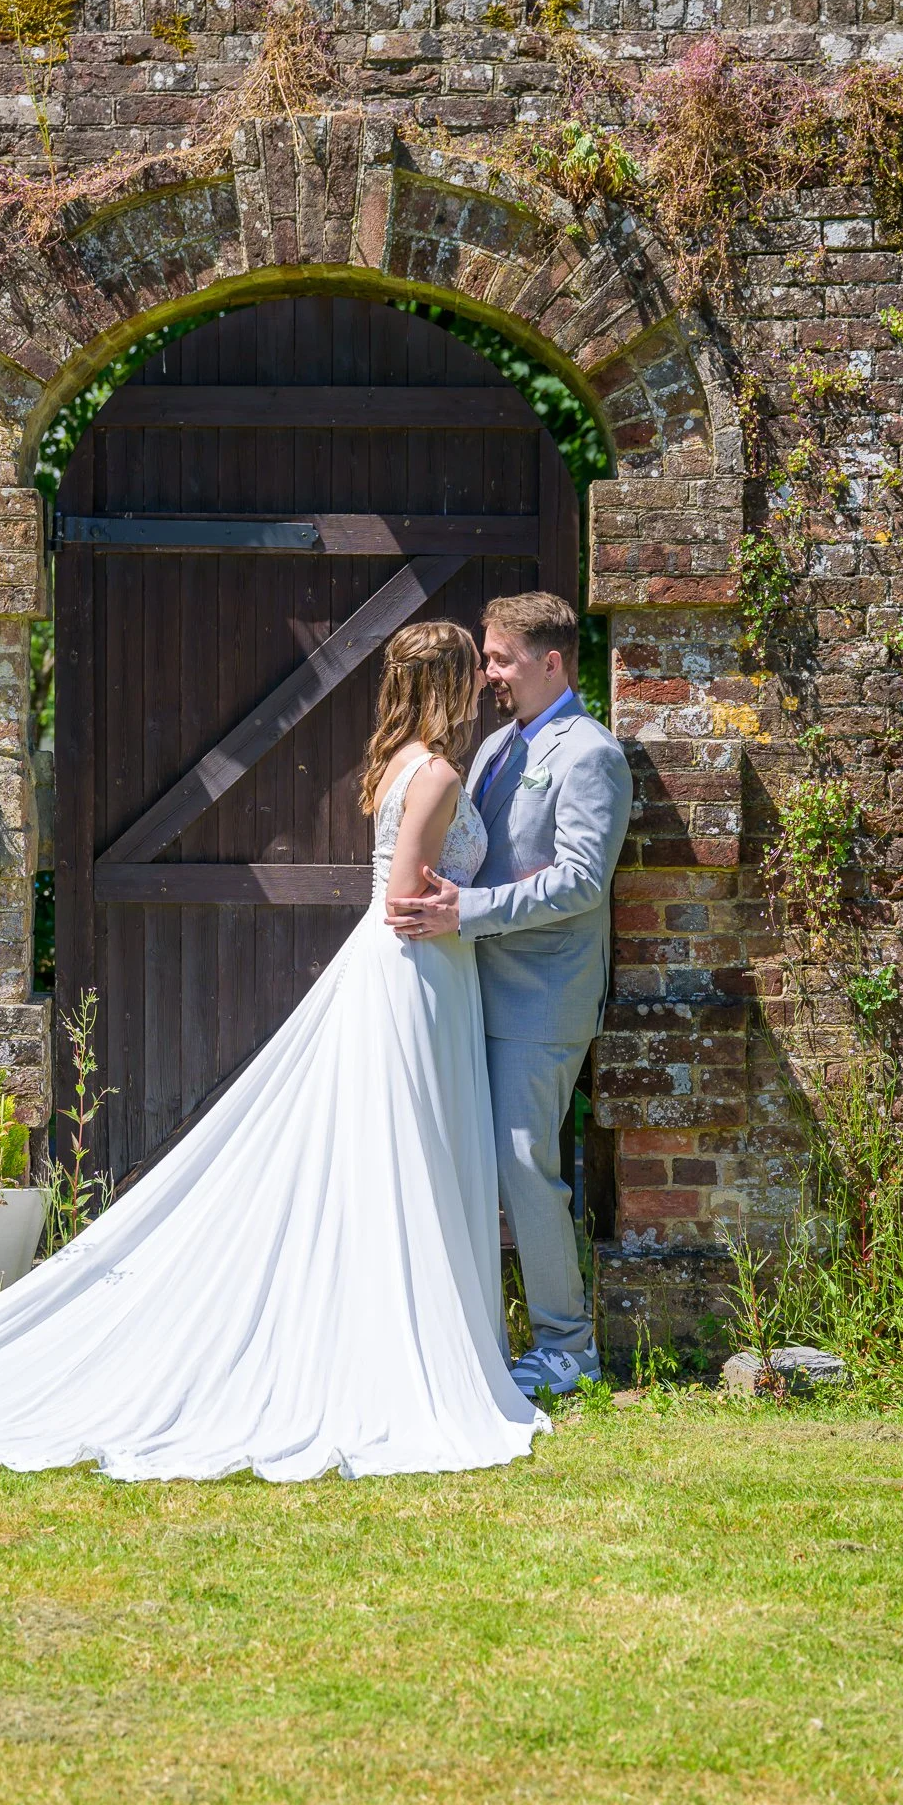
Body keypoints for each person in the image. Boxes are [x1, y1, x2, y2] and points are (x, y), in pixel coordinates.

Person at [0, 622, 547, 1481]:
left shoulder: (398, 763)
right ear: (451, 682)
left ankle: (396, 1332)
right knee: (407, 1154)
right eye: (475, 669)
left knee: (389, 1155)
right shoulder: (441, 772)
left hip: (412, 973)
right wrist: (490, 899)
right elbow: (410, 897)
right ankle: (403, 1354)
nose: (488, 681)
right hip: (415, 971)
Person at [387, 593, 633, 1399]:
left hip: (541, 994)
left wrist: (467, 912)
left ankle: (567, 1346)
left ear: (550, 661)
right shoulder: (495, 746)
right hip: (467, 989)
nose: (487, 672)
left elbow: (579, 880)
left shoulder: (588, 753)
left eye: (499, 657)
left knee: (526, 1167)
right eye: (487, 657)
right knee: (465, 1160)